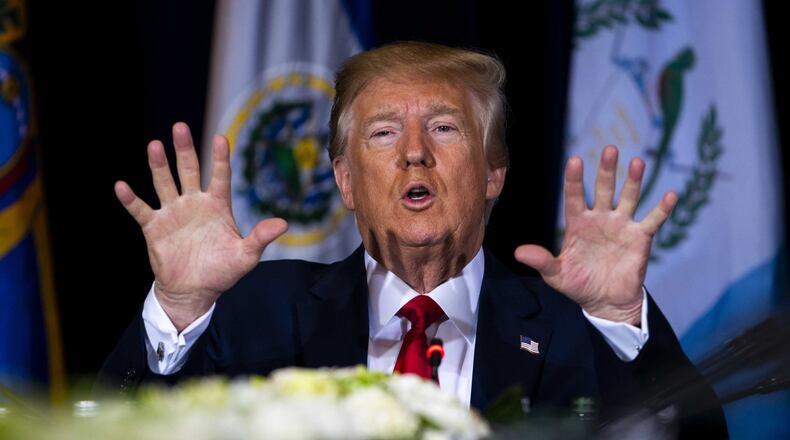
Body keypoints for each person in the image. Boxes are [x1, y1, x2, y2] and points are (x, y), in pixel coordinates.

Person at [98, 42, 726, 434]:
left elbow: (694, 434)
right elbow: (114, 429)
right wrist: (178, 310)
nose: (415, 155)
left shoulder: (573, 327)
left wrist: (617, 317)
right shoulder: (255, 311)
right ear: (345, 180)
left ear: (493, 173)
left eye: (445, 128)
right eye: (382, 134)